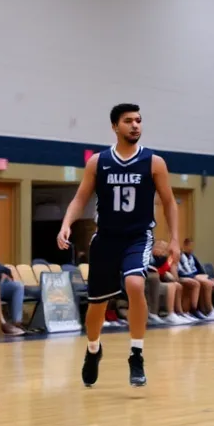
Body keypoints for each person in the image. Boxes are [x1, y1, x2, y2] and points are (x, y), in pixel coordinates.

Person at [57, 104, 178, 386]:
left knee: (136, 284)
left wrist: (173, 238)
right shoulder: (98, 161)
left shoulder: (154, 162)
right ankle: (93, 350)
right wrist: (67, 224)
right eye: (128, 121)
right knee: (96, 308)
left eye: (138, 120)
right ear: (115, 127)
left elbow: (170, 202)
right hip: (106, 239)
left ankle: (136, 354)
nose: (135, 125)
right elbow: (79, 198)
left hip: (138, 237)